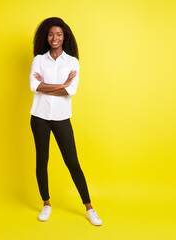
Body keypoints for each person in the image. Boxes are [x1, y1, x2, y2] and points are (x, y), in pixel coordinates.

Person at [29, 17, 102, 226]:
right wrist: (61, 85)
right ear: (47, 36)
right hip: (39, 117)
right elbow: (34, 86)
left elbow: (71, 90)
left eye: (58, 34)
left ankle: (89, 208)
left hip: (61, 118)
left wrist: (47, 85)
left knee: (73, 162)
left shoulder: (72, 62)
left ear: (64, 37)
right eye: (51, 34)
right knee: (42, 160)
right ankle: (46, 204)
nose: (54, 38)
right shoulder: (39, 60)